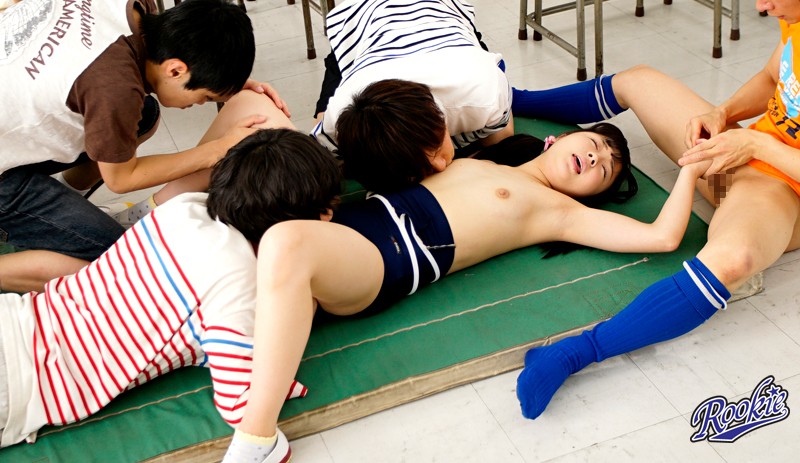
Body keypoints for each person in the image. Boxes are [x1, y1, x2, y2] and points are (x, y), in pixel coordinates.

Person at [209, 91, 713, 462]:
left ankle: (258, 437)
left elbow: (663, 237)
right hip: (345, 226)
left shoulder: (560, 213)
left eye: (604, 169)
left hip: (385, 258)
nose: (597, 157)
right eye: (596, 144)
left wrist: (690, 168)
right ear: (560, 137)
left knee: (284, 242)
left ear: (591, 196)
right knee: (247, 196)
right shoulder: (484, 157)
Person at [514, 0, 800, 420]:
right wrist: (722, 113)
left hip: (785, 189)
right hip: (749, 153)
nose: (762, 6)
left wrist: (757, 146)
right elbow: (772, 77)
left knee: (733, 260)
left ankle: (575, 353)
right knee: (640, 81)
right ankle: (514, 101)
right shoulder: (794, 16)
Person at [0, 92, 327, 450]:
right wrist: (300, 310)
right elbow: (241, 404)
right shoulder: (239, 283)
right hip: (19, 381)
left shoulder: (184, 208)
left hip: (15, 318)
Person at [0, 0, 288, 293]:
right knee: (118, 257)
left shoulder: (135, 11)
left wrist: (224, 80)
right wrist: (217, 150)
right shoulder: (115, 87)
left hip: (11, 118)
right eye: (206, 97)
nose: (201, 104)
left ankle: (63, 196)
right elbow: (121, 179)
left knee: (144, 114)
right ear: (175, 70)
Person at [310, 0, 516, 187]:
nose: (442, 166)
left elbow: (502, 147)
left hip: (440, 14)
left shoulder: (485, 93)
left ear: (441, 118)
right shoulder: (338, 122)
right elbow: (315, 171)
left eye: (437, 146)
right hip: (361, 26)